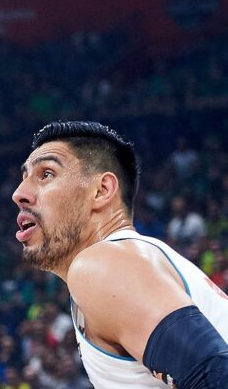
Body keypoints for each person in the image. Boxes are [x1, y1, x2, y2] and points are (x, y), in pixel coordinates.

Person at [12, 120, 228, 388]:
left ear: (101, 191)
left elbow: (215, 372)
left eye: (46, 174)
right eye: (24, 178)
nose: (19, 194)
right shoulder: (137, 260)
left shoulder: (104, 263)